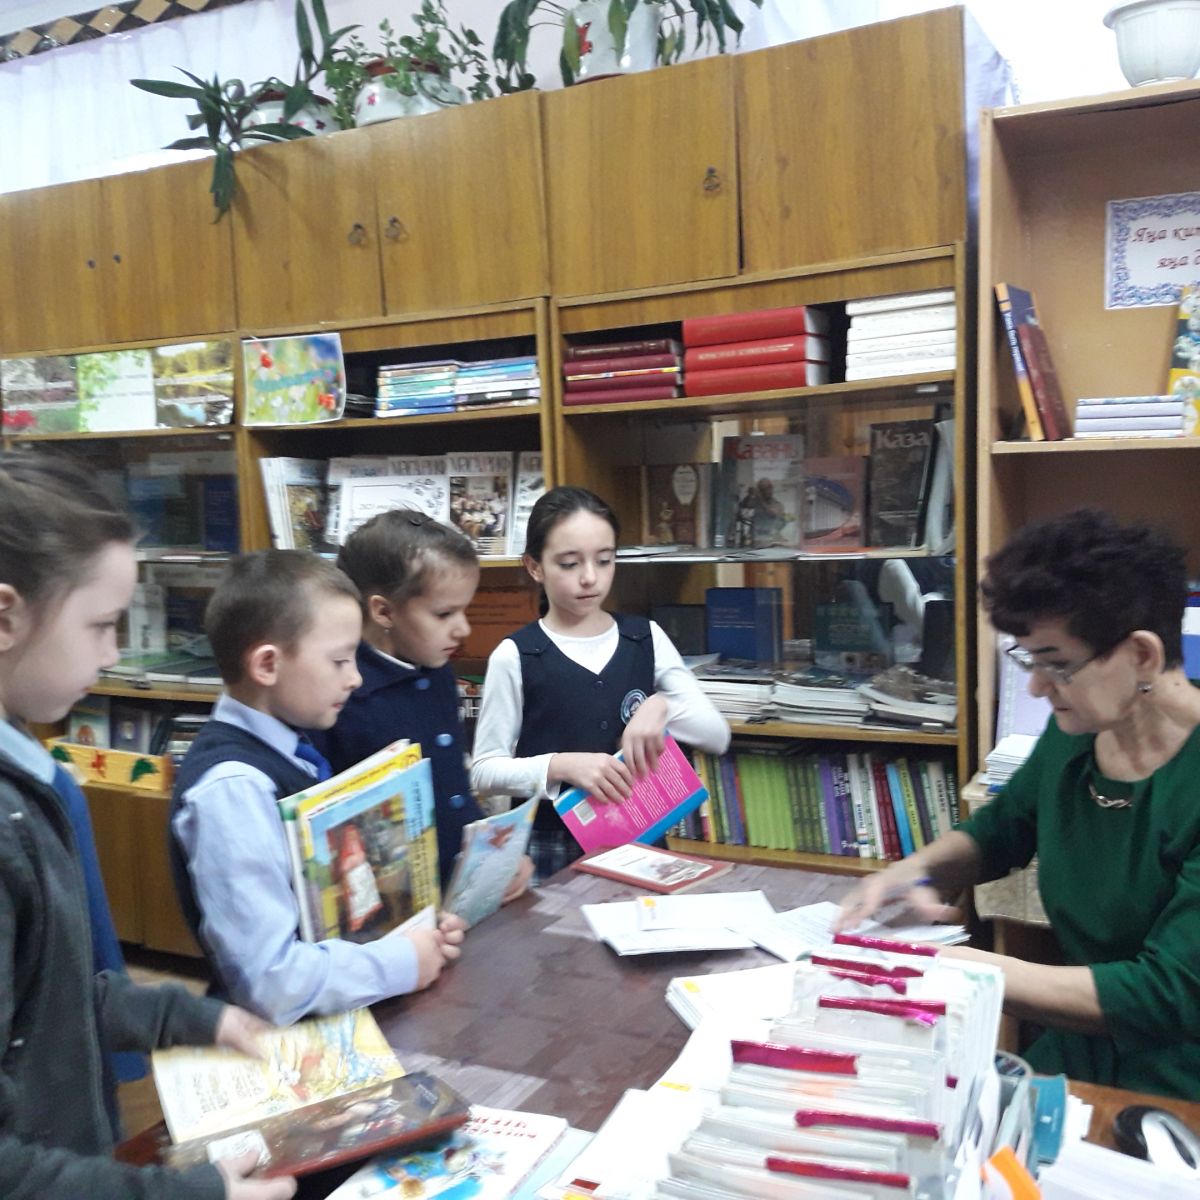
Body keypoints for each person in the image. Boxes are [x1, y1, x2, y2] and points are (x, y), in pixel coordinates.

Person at [0, 453, 293, 1200]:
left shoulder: (23, 776)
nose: (113, 654)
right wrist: (193, 1195)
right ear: (5, 616)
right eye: (101, 625)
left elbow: (45, 1001)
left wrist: (193, 1017)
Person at [836, 507, 1200, 1099]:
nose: (1036, 685)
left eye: (1056, 663)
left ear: (1142, 655)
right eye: (1028, 659)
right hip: (1079, 1049)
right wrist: (915, 871)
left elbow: (1168, 992)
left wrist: (948, 969)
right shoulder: (1079, 730)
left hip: (1176, 1078)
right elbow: (1004, 828)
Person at [170, 550, 465, 1028]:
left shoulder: (294, 747)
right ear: (268, 664)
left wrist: (414, 935)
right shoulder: (233, 790)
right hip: (283, 1043)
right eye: (340, 660)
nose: (355, 678)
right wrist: (400, 962)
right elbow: (272, 980)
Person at [471, 486, 731, 881]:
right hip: (552, 845)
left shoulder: (645, 637)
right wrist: (562, 765)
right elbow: (485, 771)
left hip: (640, 837)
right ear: (535, 567)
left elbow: (716, 735)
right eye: (569, 564)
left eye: (605, 560)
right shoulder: (516, 655)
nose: (590, 578)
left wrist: (661, 706)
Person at [311, 510, 532, 898]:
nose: (463, 629)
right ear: (384, 611)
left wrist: (496, 855)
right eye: (444, 614)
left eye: (464, 609)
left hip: (459, 889)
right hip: (392, 904)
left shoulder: (437, 671)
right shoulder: (338, 695)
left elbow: (453, 787)